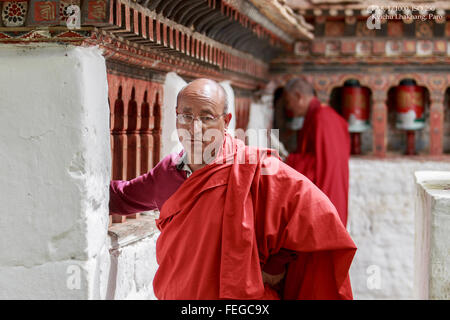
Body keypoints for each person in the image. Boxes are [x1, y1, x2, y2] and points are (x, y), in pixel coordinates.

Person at [110, 78, 356, 300]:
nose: (195, 128)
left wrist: (274, 265)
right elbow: (120, 197)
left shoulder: (254, 168)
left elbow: (315, 212)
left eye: (207, 117)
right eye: (186, 116)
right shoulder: (167, 173)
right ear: (176, 117)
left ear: (226, 121)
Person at [283, 77, 351, 227]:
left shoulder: (321, 119)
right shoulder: (324, 116)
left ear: (299, 96)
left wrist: (288, 160)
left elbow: (318, 165)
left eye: (288, 102)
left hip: (325, 196)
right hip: (334, 195)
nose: (289, 108)